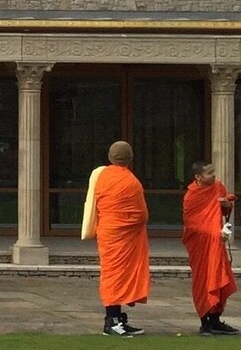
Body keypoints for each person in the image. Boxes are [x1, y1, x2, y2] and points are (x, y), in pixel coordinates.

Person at [82, 141, 151, 337]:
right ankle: (111, 321)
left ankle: (117, 318)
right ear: (130, 159)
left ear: (110, 158)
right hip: (122, 234)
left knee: (114, 274)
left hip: (108, 232)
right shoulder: (131, 182)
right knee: (114, 276)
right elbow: (141, 215)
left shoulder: (102, 175)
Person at [183, 161, 241, 336]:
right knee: (204, 281)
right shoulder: (191, 196)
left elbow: (226, 212)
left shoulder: (218, 187)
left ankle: (216, 320)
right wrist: (213, 233)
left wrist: (226, 207)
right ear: (198, 177)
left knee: (220, 279)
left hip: (217, 243)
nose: (214, 175)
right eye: (209, 173)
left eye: (213, 171)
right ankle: (205, 322)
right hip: (201, 245)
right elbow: (192, 223)